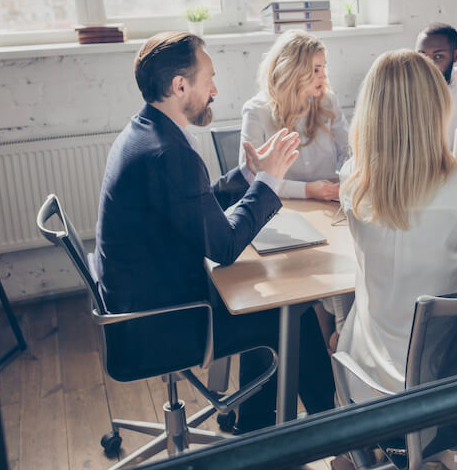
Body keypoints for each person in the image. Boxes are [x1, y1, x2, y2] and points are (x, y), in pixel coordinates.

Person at [94, 31, 335, 433]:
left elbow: (195, 203)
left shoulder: (147, 131)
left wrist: (248, 174)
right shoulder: (169, 153)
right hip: (163, 324)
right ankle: (340, 437)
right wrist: (271, 182)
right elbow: (223, 246)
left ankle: (256, 422)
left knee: (265, 297)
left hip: (137, 307)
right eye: (209, 79)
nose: (215, 90)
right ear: (180, 86)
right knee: (293, 313)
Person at [335, 50, 457, 402]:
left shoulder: (351, 179)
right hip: (447, 375)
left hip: (369, 375)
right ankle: (455, 449)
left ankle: (350, 450)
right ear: (438, 107)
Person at [240, 31, 350, 201]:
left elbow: (348, 152)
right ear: (293, 72)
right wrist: (307, 190)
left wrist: (346, 178)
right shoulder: (256, 111)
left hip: (329, 202)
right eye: (315, 69)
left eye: (323, 67)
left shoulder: (328, 101)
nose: (323, 75)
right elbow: (252, 176)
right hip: (281, 206)